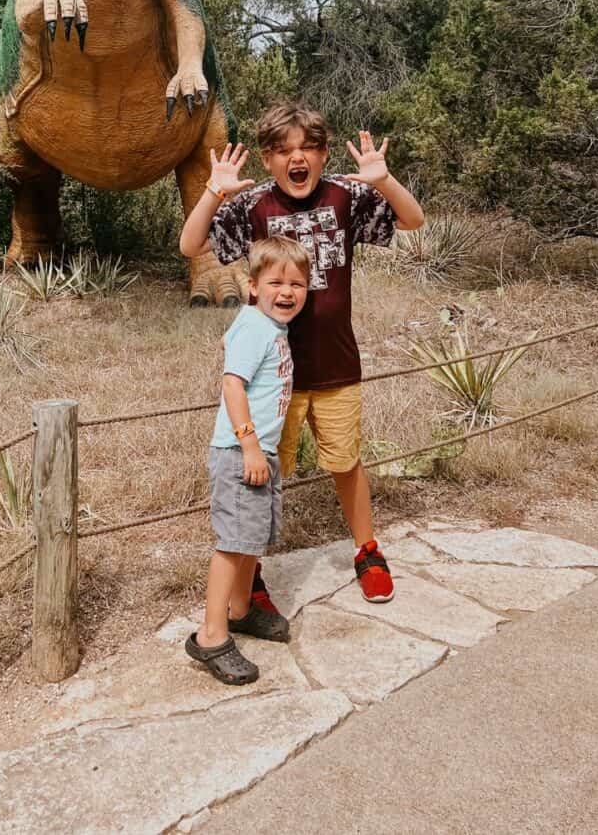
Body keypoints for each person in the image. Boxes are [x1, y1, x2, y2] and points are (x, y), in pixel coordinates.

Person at [180, 100, 425, 608]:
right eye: (284, 150)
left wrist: (381, 179)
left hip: (336, 364)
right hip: (272, 377)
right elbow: (191, 245)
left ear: (325, 153)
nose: (299, 158)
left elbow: (413, 219)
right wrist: (212, 191)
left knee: (346, 462)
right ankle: (252, 576)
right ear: (267, 160)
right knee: (263, 470)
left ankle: (367, 550)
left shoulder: (346, 196)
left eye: (310, 148)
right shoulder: (253, 207)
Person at [185, 234, 311, 685]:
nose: (287, 292)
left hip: (259, 453)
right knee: (232, 543)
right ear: (253, 285)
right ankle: (211, 634)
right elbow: (232, 385)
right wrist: (251, 445)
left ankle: (239, 611)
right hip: (241, 452)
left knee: (250, 540)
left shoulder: (264, 326)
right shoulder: (257, 328)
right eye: (275, 282)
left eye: (297, 284)